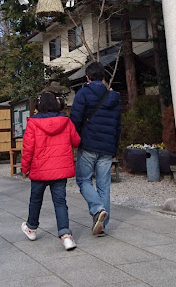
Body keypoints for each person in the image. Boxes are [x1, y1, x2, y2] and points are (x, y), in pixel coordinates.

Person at [20, 91, 81, 251]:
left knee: (35, 200)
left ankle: (31, 228)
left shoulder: (33, 123)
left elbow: (28, 149)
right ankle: (66, 236)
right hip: (60, 170)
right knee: (60, 203)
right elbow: (76, 141)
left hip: (39, 170)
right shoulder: (66, 121)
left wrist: (24, 168)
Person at [70, 62, 121, 237]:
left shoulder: (83, 93)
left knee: (83, 180)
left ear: (88, 77)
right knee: (104, 185)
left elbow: (75, 119)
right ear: (104, 78)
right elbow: (117, 125)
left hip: (89, 144)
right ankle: (102, 225)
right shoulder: (113, 97)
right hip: (107, 147)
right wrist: (114, 147)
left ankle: (98, 209)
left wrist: (73, 141)